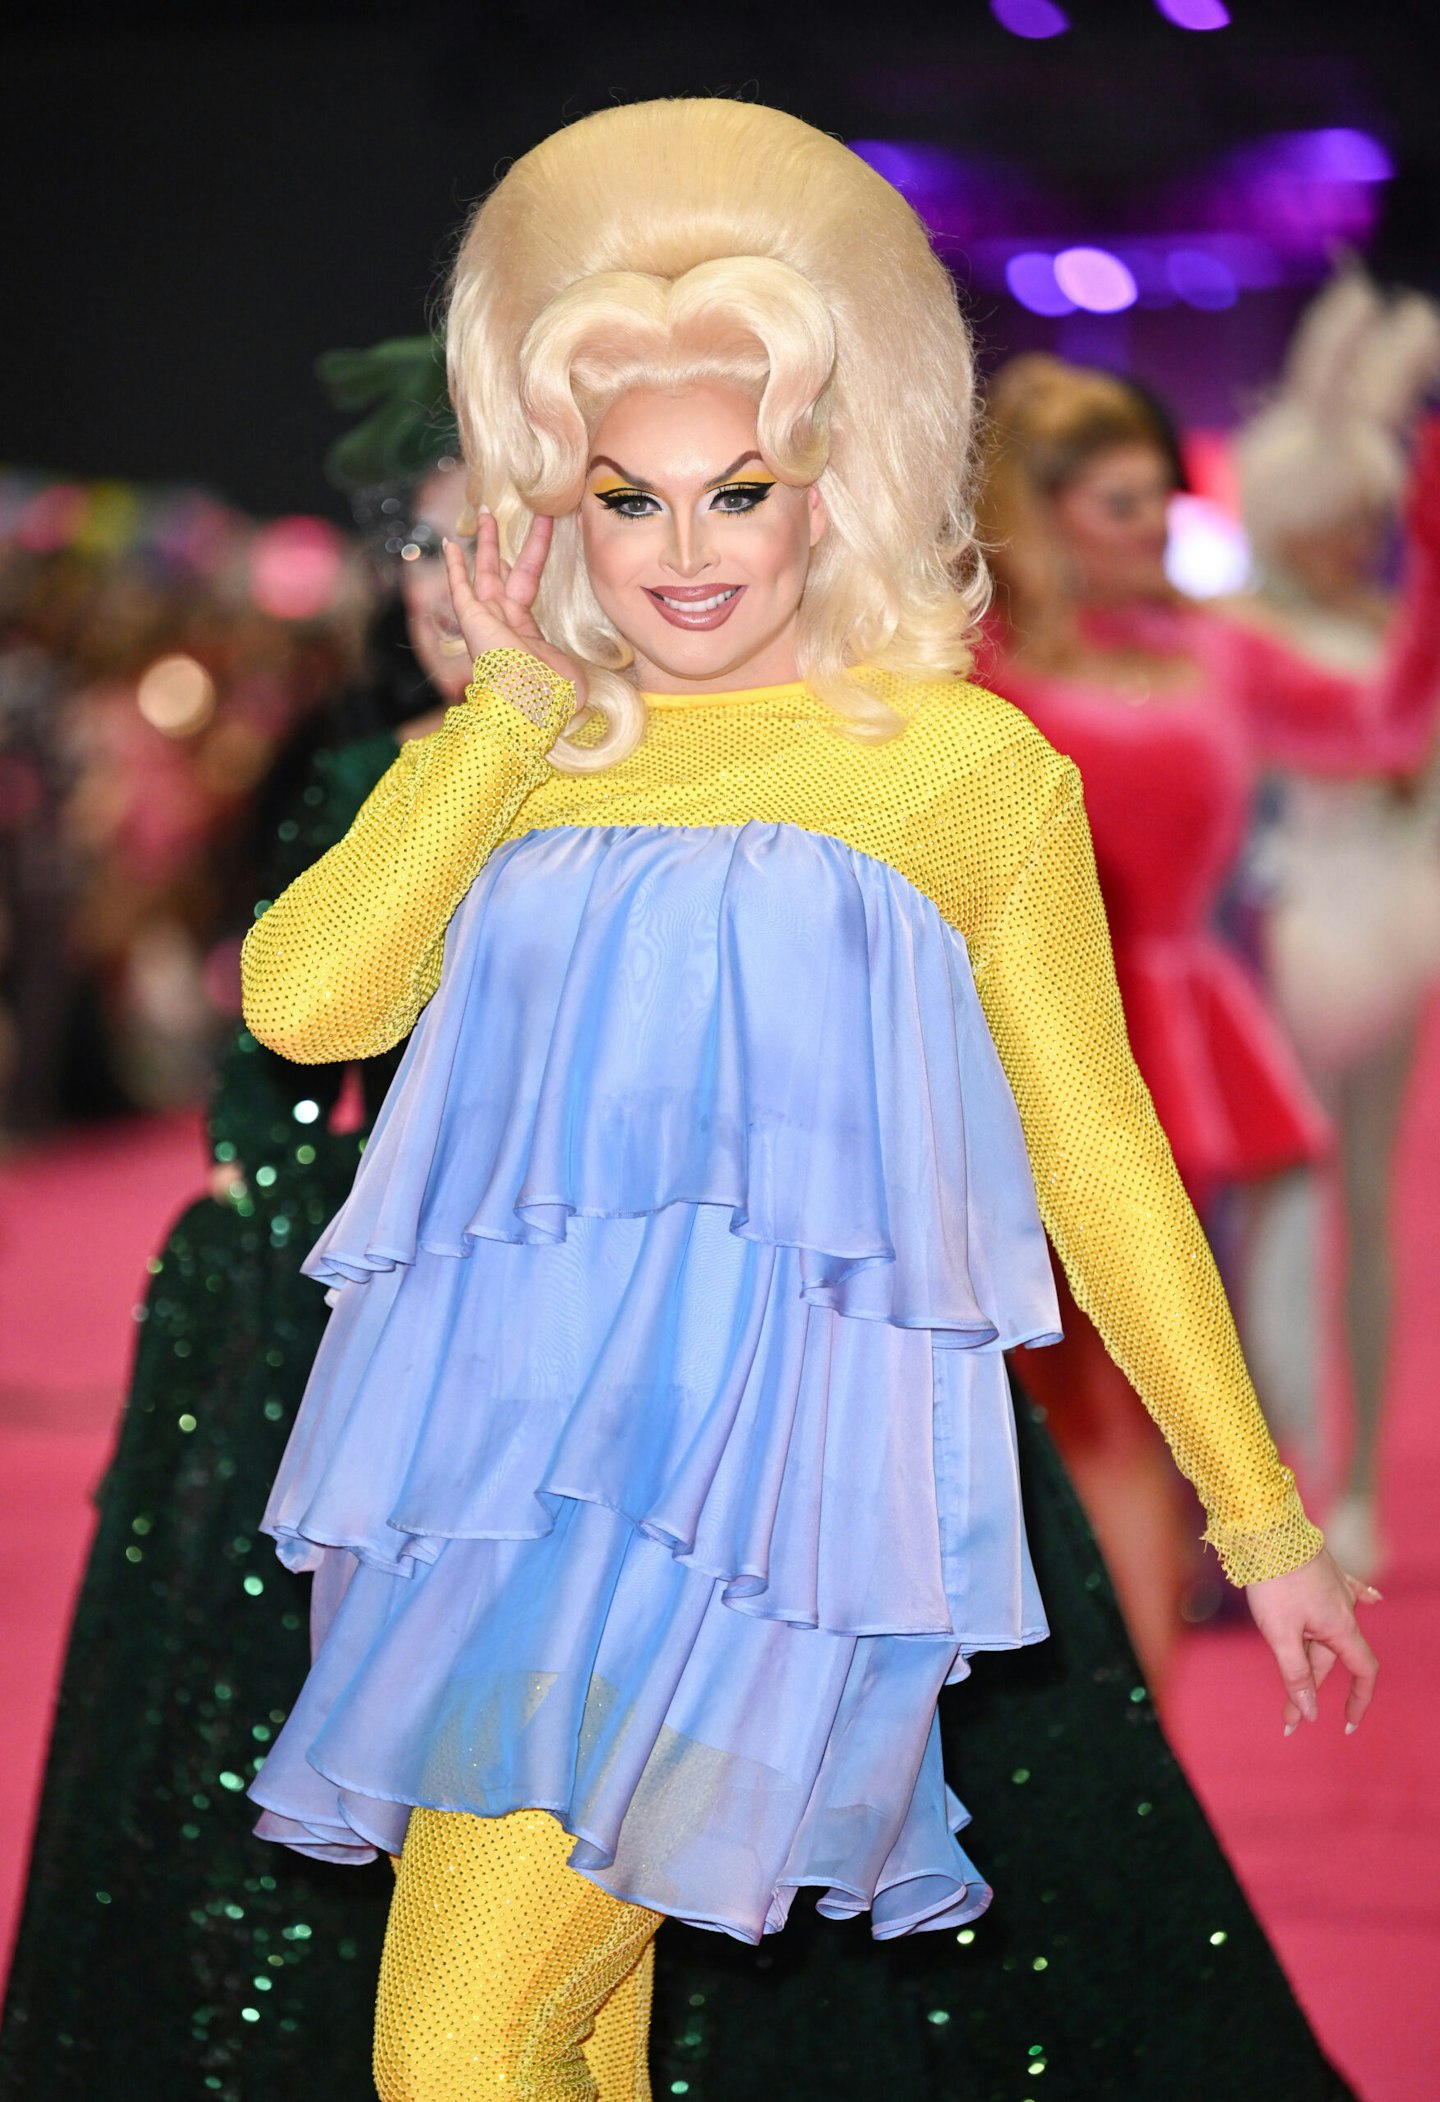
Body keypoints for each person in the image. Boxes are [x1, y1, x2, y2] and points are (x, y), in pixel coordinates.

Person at [239, 102, 1377, 2100]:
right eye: (629, 497)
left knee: (450, 2042)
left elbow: (1095, 1153)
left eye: (736, 490)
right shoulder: (531, 742)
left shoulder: (953, 766)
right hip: (503, 1495)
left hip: (755, 1520)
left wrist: (1258, 1512)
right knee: (556, 2035)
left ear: (826, 485)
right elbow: (305, 998)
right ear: (554, 505)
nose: (686, 554)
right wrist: (502, 714)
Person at [0, 340, 472, 2102]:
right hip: (341, 1307)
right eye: (418, 552)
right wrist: (268, 1218)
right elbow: (283, 1044)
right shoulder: (361, 774)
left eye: (486, 545)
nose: (447, 592)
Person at [979, 351, 1440, 1690]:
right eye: (1119, 503)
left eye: (1158, 501)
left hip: (1177, 1048)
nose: (1151, 527)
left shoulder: (1218, 653)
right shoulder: (972, 670)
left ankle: (1140, 1722)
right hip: (1010, 1051)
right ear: (1043, 511)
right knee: (1032, 1403)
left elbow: (1381, 723)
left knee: (1159, 1403)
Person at [1232, 268, 1440, 1576]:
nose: (1346, 540)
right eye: (1332, 518)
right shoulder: (1239, 634)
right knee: (1271, 1207)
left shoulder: (1393, 628)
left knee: (1366, 1200)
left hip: (1396, 920)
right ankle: (1268, 1485)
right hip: (1284, 925)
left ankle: (1356, 1483)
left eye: (1365, 518)